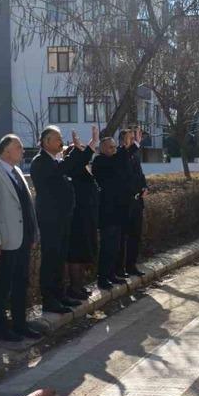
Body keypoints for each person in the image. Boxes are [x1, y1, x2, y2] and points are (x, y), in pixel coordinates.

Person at [0, 135, 42, 342]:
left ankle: (20, 325)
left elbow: (26, 206)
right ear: (6, 150)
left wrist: (33, 233)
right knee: (3, 285)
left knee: (21, 283)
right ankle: (0, 329)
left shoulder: (17, 172)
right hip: (5, 241)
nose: (22, 151)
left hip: (22, 238)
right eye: (18, 147)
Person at [30, 126, 95, 314]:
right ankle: (49, 299)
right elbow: (63, 168)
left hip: (63, 218)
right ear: (46, 142)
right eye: (57, 139)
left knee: (60, 258)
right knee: (51, 259)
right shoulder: (41, 161)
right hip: (51, 220)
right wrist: (75, 150)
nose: (60, 142)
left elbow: (73, 165)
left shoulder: (55, 160)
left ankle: (60, 295)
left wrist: (87, 148)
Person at [66, 126, 100, 300]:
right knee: (76, 256)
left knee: (84, 254)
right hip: (77, 219)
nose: (85, 156)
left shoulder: (83, 171)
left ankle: (79, 286)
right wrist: (92, 143)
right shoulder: (73, 171)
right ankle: (75, 288)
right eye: (79, 152)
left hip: (87, 218)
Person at [92, 136, 128, 289]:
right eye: (110, 147)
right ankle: (103, 277)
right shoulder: (100, 161)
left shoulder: (115, 162)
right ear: (102, 149)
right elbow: (116, 161)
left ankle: (112, 274)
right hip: (106, 213)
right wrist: (131, 147)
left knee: (115, 246)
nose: (113, 150)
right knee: (107, 247)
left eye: (115, 147)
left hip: (117, 211)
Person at [117, 126, 149, 278]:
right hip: (124, 204)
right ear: (123, 140)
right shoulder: (118, 155)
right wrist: (134, 145)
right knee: (122, 238)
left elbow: (140, 174)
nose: (134, 140)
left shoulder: (135, 156)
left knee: (135, 236)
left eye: (133, 137)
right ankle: (119, 269)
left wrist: (144, 187)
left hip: (137, 202)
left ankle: (131, 265)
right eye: (130, 137)